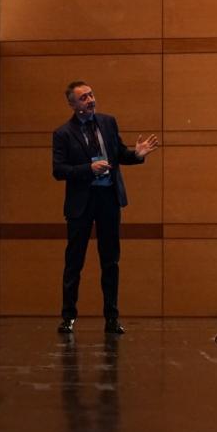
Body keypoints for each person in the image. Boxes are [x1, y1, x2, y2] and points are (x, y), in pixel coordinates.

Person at [52, 81, 159, 334]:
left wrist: (137, 154)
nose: (91, 100)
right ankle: (68, 317)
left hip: (108, 199)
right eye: (83, 98)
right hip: (81, 203)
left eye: (91, 95)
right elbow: (58, 170)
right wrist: (88, 169)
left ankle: (112, 317)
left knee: (110, 261)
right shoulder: (63, 133)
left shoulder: (108, 123)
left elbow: (119, 154)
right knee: (74, 261)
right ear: (72, 104)